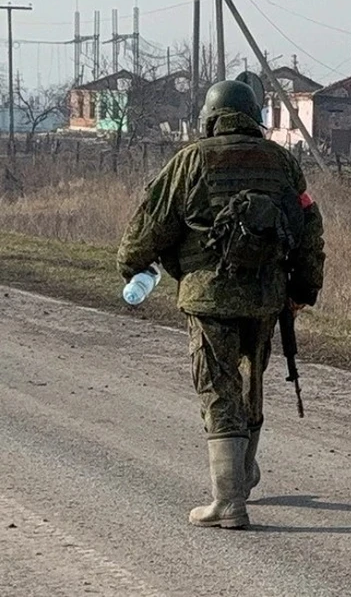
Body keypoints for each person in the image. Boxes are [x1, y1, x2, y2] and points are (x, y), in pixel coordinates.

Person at [117, 80, 325, 529]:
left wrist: (131, 266)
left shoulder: (192, 160)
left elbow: (152, 221)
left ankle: (228, 502)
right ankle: (243, 475)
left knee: (217, 388)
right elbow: (309, 226)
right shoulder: (282, 162)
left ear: (210, 118)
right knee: (252, 383)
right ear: (254, 117)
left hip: (209, 296)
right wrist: (303, 290)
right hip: (266, 297)